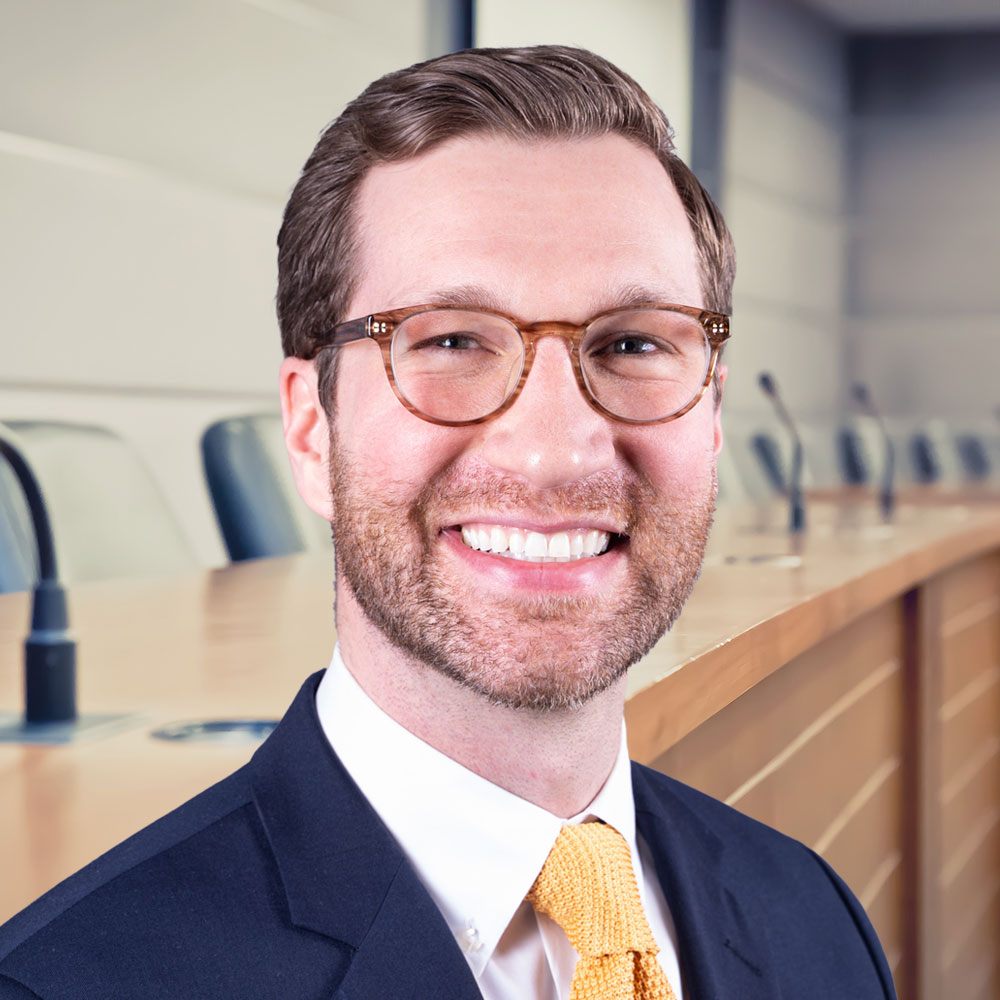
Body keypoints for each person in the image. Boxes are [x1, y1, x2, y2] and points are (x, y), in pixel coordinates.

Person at [0, 45, 895, 1000]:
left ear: (711, 416)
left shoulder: (818, 921)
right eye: (452, 340)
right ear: (310, 428)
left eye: (634, 342)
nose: (556, 452)